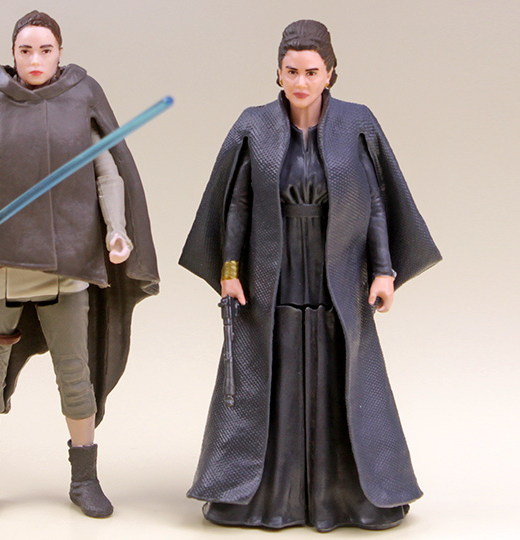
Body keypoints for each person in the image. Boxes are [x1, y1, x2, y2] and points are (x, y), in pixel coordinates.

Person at [179, 20, 441, 532]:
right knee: (269, 379)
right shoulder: (255, 126)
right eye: (292, 71)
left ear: (330, 73)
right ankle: (260, 497)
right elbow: (236, 205)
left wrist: (383, 271)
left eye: (312, 72)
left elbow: (375, 204)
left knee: (340, 378)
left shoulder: (355, 123)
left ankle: (347, 497)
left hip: (335, 274)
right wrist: (230, 271)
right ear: (278, 73)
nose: (301, 82)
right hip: (271, 278)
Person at [0, 10, 159, 520]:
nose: (36, 60)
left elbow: (108, 171)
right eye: (26, 51)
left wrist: (116, 229)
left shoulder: (82, 96)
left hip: (67, 263)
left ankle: (85, 479)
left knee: (75, 375)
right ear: (13, 53)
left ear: (60, 52)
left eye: (45, 50)